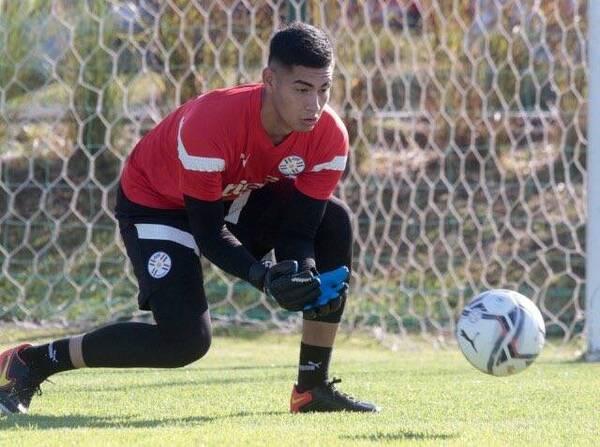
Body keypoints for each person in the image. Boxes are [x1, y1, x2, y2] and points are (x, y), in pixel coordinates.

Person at [0, 22, 379, 415]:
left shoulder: (330, 135)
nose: (314, 105)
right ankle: (33, 362)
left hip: (232, 196)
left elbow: (300, 230)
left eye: (324, 89)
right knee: (184, 342)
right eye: (302, 89)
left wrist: (304, 274)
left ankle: (311, 388)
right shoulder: (213, 122)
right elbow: (209, 234)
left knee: (334, 219)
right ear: (269, 80)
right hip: (158, 203)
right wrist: (265, 278)